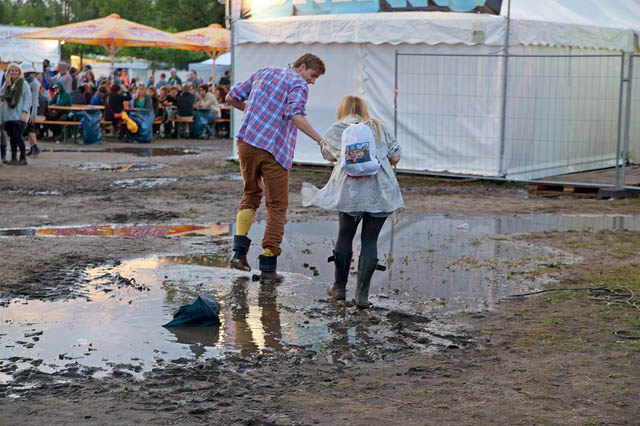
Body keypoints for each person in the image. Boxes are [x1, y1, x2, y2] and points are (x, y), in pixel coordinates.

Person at [226, 53, 326, 284]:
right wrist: (320, 140)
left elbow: (231, 97)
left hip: (247, 143)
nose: (312, 81)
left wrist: (253, 111)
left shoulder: (264, 72)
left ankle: (238, 254)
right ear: (301, 67)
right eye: (313, 75)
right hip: (274, 149)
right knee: (277, 205)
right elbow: (295, 114)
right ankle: (268, 268)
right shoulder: (298, 83)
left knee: (250, 195)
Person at [304, 96, 404, 308]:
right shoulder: (378, 127)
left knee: (345, 235)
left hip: (350, 191)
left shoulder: (337, 128)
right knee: (370, 240)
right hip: (380, 191)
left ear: (343, 109)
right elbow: (396, 155)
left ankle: (339, 289)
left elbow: (328, 155)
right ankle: (362, 296)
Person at [1, 63, 32, 165]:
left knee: (18, 136)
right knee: (12, 138)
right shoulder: (8, 83)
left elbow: (27, 99)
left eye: (16, 71)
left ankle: (23, 158)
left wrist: (25, 112)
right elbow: (2, 95)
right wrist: (6, 84)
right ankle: (13, 157)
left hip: (19, 115)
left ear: (19, 72)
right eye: (12, 70)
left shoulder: (24, 84)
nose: (14, 72)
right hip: (9, 115)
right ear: (8, 72)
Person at [21, 63, 41, 157]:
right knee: (29, 128)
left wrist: (33, 114)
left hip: (32, 107)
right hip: (28, 106)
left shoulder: (34, 83)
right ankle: (33, 146)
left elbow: (35, 99)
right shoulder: (26, 81)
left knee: (30, 128)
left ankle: (35, 147)